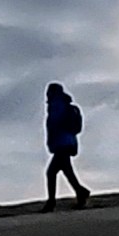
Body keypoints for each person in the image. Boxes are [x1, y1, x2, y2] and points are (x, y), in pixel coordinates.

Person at [43, 82, 90, 211]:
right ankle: (80, 192)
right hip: (68, 142)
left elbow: (54, 125)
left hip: (61, 143)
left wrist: (52, 142)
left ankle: (51, 203)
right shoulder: (64, 104)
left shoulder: (56, 105)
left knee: (51, 172)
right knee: (66, 171)